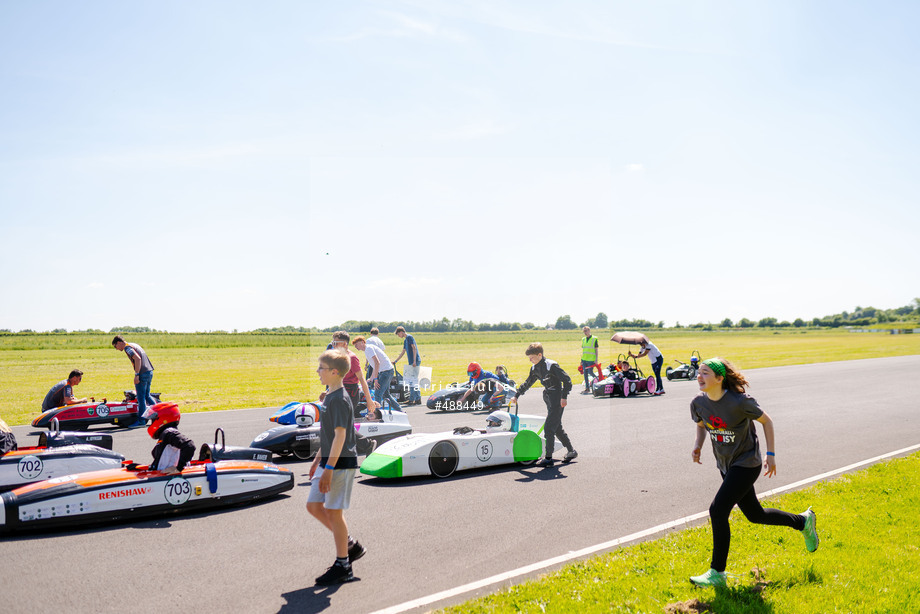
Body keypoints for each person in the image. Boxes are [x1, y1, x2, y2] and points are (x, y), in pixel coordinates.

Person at [688, 357, 818, 588]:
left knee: (717, 511)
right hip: (725, 465)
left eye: (705, 373)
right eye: (699, 372)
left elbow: (767, 422)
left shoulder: (740, 402)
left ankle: (717, 572)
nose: (700, 376)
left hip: (747, 464)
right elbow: (701, 425)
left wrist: (771, 454)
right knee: (755, 515)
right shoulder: (699, 403)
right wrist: (698, 445)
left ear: (720, 379)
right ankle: (803, 522)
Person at [308, 349, 365, 586]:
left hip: (340, 464)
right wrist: (317, 461)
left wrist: (329, 468)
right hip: (328, 461)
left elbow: (341, 437)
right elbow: (329, 435)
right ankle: (349, 545)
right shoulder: (329, 397)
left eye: (321, 368)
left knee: (333, 512)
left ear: (333, 372)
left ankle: (343, 565)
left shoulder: (340, 400)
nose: (317, 372)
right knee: (313, 506)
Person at [514, 343, 577, 467]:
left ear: (539, 355)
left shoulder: (551, 365)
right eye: (529, 358)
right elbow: (528, 383)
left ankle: (548, 459)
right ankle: (571, 451)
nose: (530, 360)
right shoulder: (534, 368)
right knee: (556, 427)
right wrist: (517, 395)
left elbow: (567, 381)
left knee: (548, 428)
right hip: (548, 398)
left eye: (531, 357)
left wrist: (564, 397)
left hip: (558, 399)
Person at [322, 331, 377, 419]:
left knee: (342, 420)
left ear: (344, 344)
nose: (333, 345)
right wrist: (328, 391)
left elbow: (362, 379)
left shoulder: (352, 358)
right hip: (339, 391)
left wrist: (369, 400)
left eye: (335, 343)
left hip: (351, 393)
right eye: (333, 343)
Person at [112, 335, 156, 428]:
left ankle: (141, 421)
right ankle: (158, 415)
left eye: (115, 346)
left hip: (142, 373)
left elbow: (137, 358)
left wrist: (137, 375)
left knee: (141, 398)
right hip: (149, 371)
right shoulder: (134, 344)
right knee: (147, 396)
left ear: (119, 342)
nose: (116, 349)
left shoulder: (127, 348)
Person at [145, 402, 195, 474]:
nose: (151, 422)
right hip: (161, 476)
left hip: (169, 478)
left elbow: (189, 445)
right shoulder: (166, 434)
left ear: (163, 418)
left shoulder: (169, 433)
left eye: (153, 419)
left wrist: (178, 468)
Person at [354, 336, 401, 411]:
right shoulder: (368, 349)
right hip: (386, 371)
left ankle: (376, 414)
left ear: (362, 342)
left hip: (386, 371)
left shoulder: (368, 349)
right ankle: (400, 411)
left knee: (377, 393)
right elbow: (375, 366)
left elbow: (377, 362)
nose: (356, 347)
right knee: (386, 395)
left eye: (357, 344)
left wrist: (375, 379)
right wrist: (371, 378)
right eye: (355, 345)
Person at [393, 326, 421, 405]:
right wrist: (396, 361)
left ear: (401, 332)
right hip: (412, 362)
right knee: (414, 381)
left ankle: (412, 399)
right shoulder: (406, 340)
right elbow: (403, 351)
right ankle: (418, 399)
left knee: (412, 381)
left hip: (414, 361)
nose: (398, 336)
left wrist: (414, 361)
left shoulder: (409, 337)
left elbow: (414, 348)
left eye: (398, 334)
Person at [580, 326, 600, 393]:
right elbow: (584, 350)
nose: (585, 332)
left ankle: (598, 380)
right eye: (584, 331)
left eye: (586, 331)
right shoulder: (583, 339)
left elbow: (596, 349)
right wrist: (581, 360)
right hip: (584, 359)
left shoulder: (594, 339)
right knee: (585, 374)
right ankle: (587, 388)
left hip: (591, 359)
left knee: (590, 372)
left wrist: (596, 359)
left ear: (589, 330)